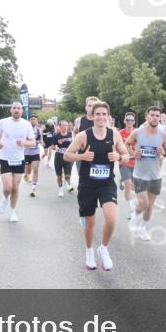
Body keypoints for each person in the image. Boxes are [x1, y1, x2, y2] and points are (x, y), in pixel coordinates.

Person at [64, 101, 131, 271]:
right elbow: (67, 155)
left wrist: (117, 156)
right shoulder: (83, 136)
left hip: (107, 183)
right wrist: (82, 157)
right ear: (92, 116)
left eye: (104, 114)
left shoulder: (114, 135)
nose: (101, 117)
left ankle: (103, 248)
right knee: (90, 222)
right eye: (98, 114)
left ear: (108, 117)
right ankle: (89, 252)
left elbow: (126, 156)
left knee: (111, 219)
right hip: (88, 184)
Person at [125, 106, 166, 240]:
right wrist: (133, 154)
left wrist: (164, 153)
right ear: (147, 117)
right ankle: (134, 216)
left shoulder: (163, 135)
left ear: (160, 118)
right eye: (152, 115)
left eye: (157, 115)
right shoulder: (138, 132)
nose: (155, 118)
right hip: (140, 174)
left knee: (150, 205)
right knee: (144, 203)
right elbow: (127, 143)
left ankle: (143, 228)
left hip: (155, 175)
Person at [0, 102, 37, 223]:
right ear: (11, 110)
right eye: (14, 108)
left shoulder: (26, 124)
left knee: (15, 188)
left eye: (18, 108)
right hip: (5, 158)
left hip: (19, 159)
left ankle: (12, 212)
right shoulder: (3, 122)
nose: (16, 110)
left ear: (22, 111)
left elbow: (33, 141)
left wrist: (24, 143)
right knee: (8, 188)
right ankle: (5, 197)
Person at [118, 112, 138, 220]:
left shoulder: (137, 132)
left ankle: (132, 205)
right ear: (124, 121)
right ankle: (130, 209)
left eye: (132, 120)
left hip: (136, 164)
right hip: (124, 163)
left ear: (134, 122)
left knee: (134, 187)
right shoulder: (120, 133)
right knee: (128, 184)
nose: (130, 122)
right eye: (128, 120)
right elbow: (116, 146)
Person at [53, 120, 75, 196]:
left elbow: (75, 144)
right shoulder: (56, 135)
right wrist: (55, 147)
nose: (65, 127)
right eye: (63, 125)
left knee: (67, 175)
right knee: (59, 175)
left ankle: (68, 185)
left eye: (66, 125)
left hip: (68, 157)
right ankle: (61, 190)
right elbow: (53, 146)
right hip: (59, 157)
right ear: (60, 126)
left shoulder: (71, 135)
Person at [23, 116, 42, 194]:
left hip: (35, 152)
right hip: (26, 153)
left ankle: (33, 187)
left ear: (37, 121)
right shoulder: (25, 130)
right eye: (32, 119)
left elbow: (41, 141)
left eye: (35, 120)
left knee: (35, 169)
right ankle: (26, 175)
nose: (33, 121)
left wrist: (41, 143)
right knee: (28, 170)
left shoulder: (38, 130)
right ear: (29, 121)